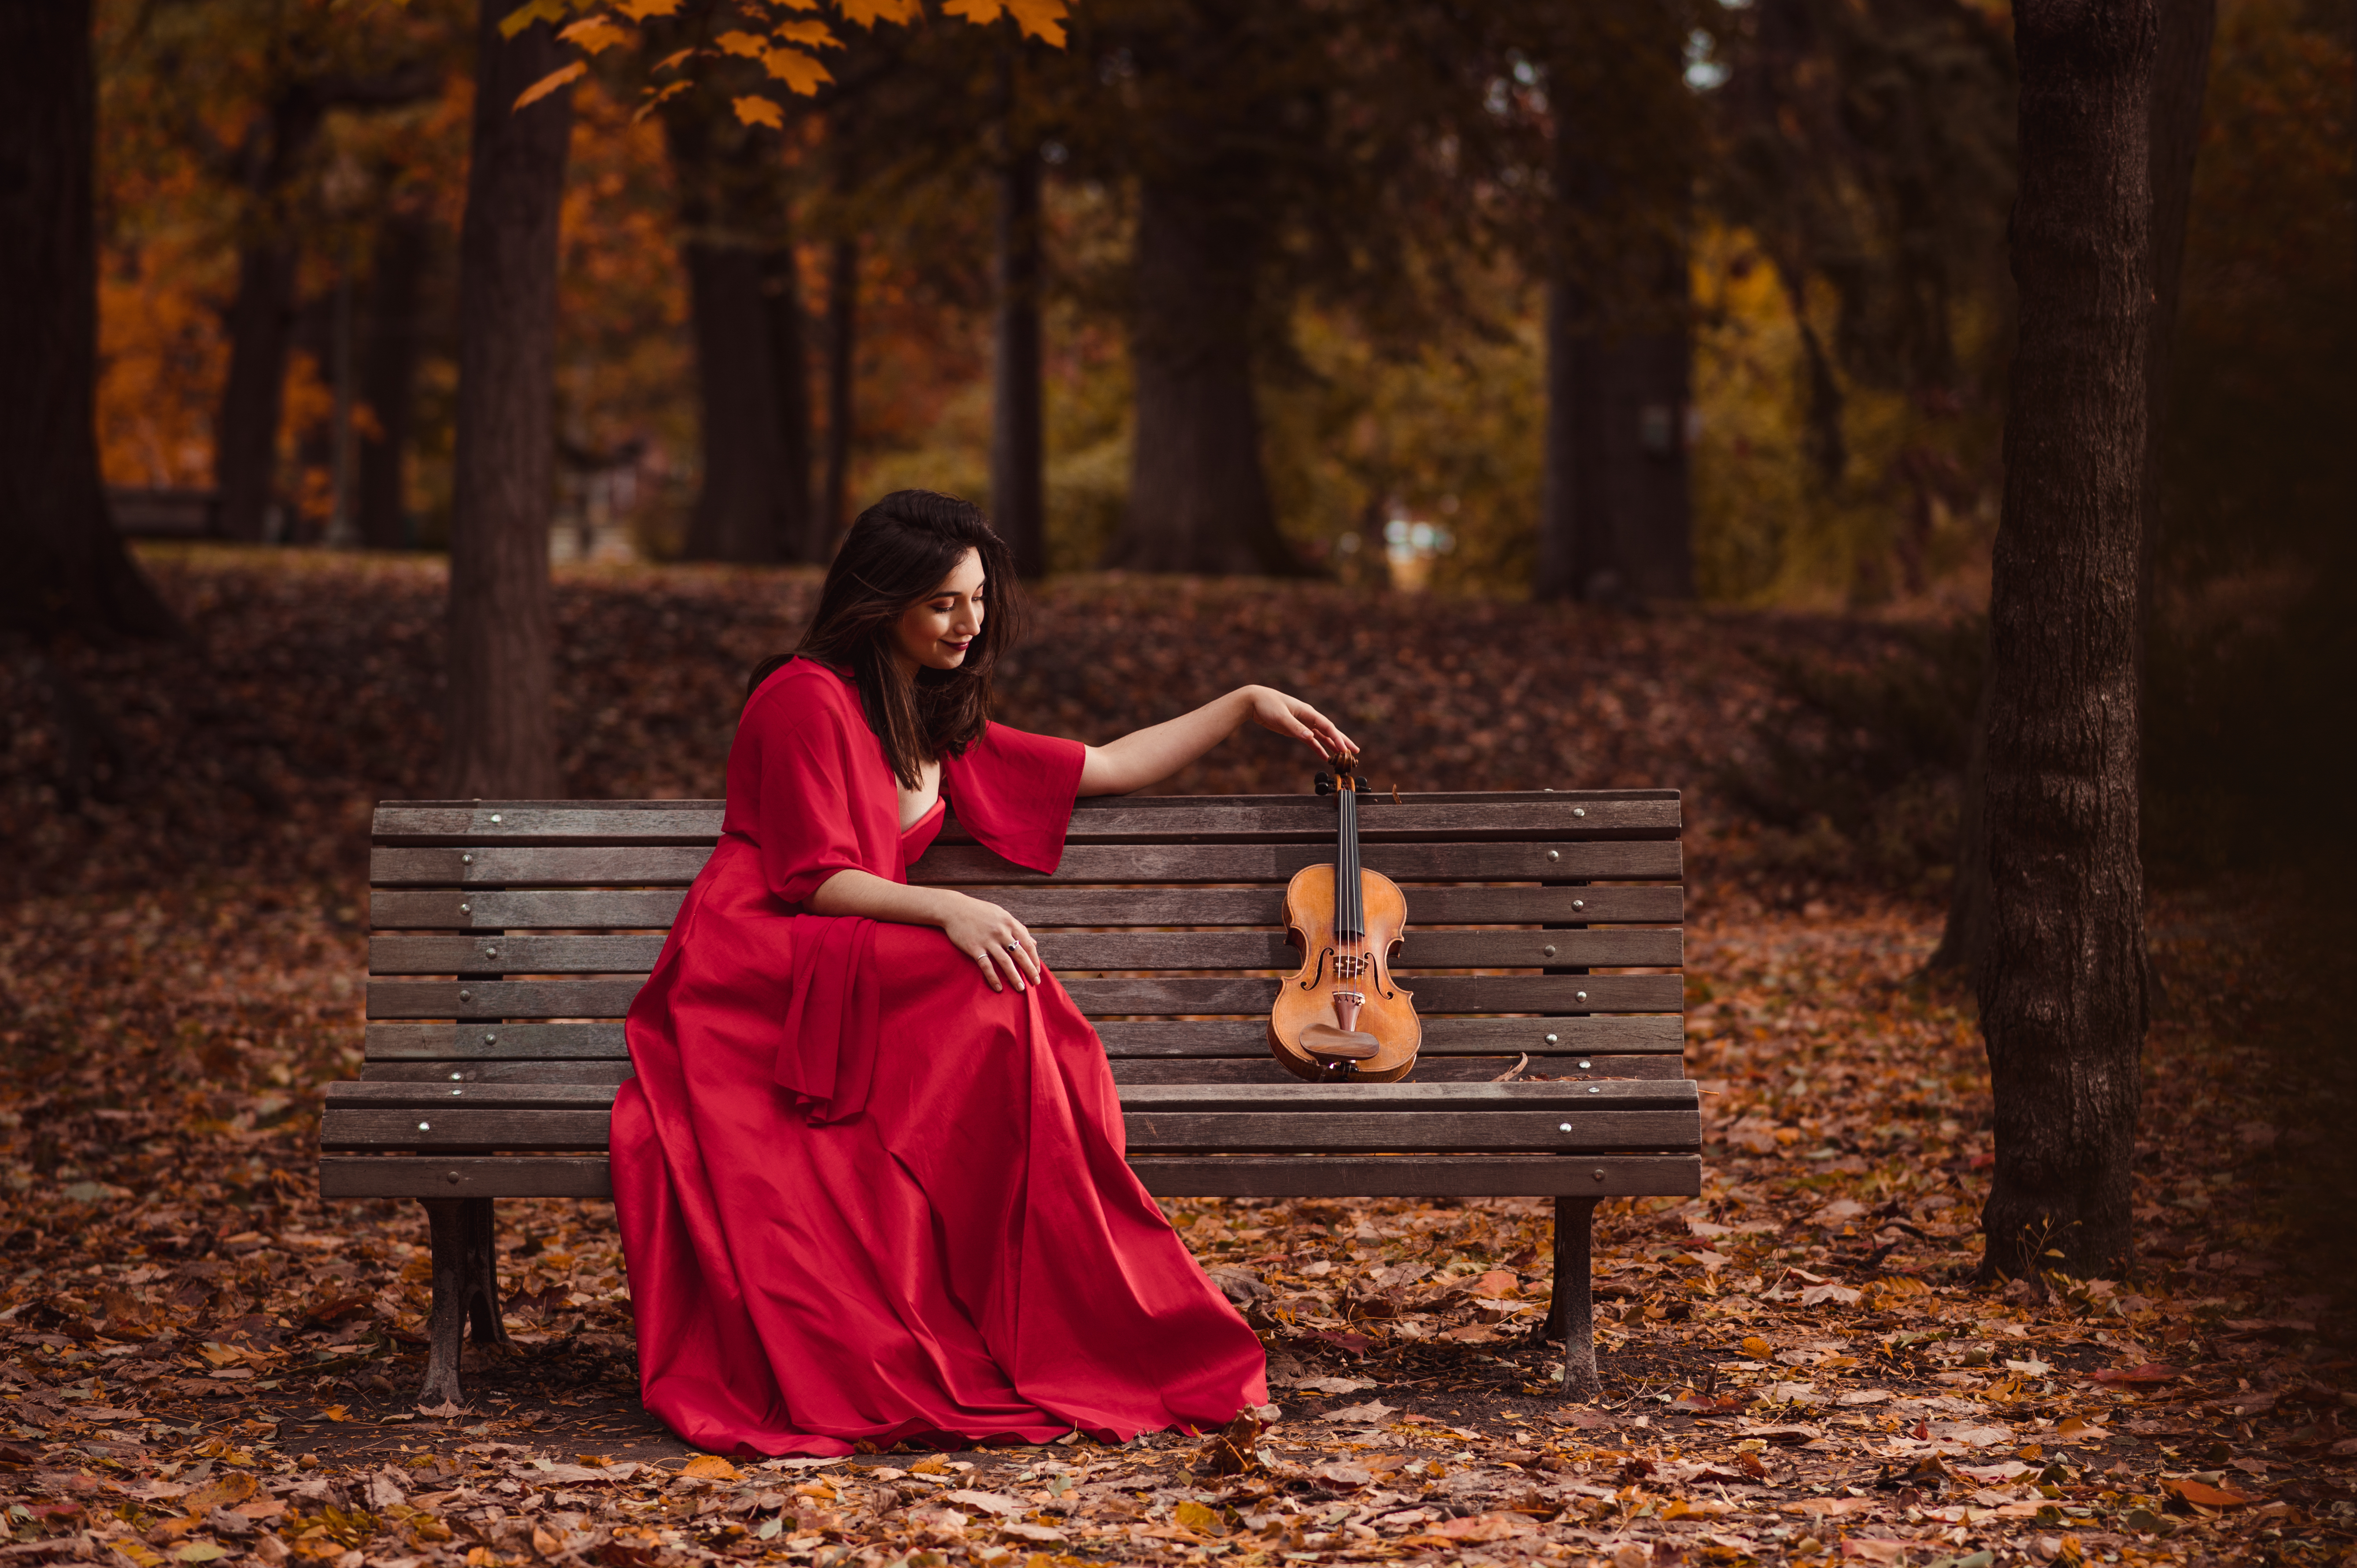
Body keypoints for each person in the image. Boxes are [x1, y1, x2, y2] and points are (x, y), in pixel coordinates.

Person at [611, 489, 1358, 1457]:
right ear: (879, 603)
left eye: (976, 599)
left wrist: (1246, 702)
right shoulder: (801, 696)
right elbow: (810, 877)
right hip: (758, 964)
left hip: (850, 952)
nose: (970, 624)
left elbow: (1109, 764)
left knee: (1005, 999)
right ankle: (1050, 1268)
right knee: (989, 982)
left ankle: (1068, 1273)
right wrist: (950, 906)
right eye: (942, 605)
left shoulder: (927, 716)